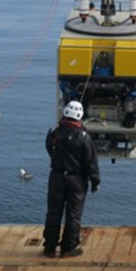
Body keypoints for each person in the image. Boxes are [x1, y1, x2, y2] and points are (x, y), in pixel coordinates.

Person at [43, 101, 100, 258]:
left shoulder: (54, 134)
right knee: (73, 214)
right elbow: (91, 162)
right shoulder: (84, 137)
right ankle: (68, 248)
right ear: (80, 117)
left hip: (56, 177)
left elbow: (50, 150)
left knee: (53, 213)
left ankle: (49, 247)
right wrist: (95, 181)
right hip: (76, 180)